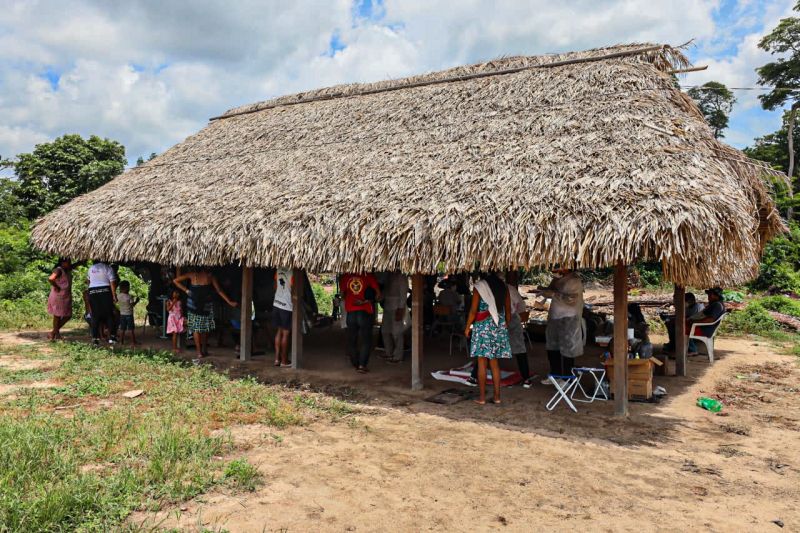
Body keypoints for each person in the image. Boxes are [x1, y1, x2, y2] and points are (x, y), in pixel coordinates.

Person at [464, 272, 512, 405]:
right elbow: (508, 311)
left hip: (482, 327)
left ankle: (482, 398)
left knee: (481, 363)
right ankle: (497, 397)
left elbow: (473, 311)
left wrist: (467, 327)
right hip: (498, 325)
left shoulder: (479, 287)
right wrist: (504, 326)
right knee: (494, 363)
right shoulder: (504, 287)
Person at [173, 267, 238, 359]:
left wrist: (186, 290)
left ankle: (201, 351)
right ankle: (201, 351)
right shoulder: (207, 276)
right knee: (203, 328)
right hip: (198, 305)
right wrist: (229, 301)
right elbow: (219, 290)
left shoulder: (196, 275)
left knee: (201, 328)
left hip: (201, 305)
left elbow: (175, 281)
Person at [541, 268, 584, 384]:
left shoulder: (574, 281)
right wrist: (544, 289)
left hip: (569, 318)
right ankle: (555, 375)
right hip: (555, 317)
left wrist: (554, 294)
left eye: (558, 267)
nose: (554, 269)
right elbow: (551, 290)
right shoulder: (558, 279)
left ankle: (567, 378)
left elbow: (572, 299)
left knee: (567, 349)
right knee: (552, 347)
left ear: (567, 267)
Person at [341, 272, 382, 373]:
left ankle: (355, 363)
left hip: (351, 312)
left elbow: (342, 295)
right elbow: (378, 295)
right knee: (366, 340)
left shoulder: (346, 277)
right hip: (365, 312)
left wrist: (351, 298)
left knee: (352, 339)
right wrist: (367, 301)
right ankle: (362, 365)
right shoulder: (368, 276)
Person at [87, 260, 118, 346]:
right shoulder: (108, 268)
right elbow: (112, 282)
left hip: (92, 291)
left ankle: (95, 339)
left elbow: (88, 282)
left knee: (95, 315)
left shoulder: (91, 268)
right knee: (109, 314)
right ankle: (112, 337)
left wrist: (90, 292)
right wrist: (114, 295)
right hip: (105, 290)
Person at [687, 287, 726, 355]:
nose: (708, 296)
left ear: (716, 296)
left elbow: (710, 320)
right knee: (682, 324)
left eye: (710, 294)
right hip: (705, 327)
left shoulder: (717, 305)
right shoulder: (716, 304)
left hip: (705, 329)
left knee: (680, 328)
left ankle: (692, 349)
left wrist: (694, 322)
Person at [46, 258, 76, 341]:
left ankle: (53, 333)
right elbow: (51, 278)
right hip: (58, 296)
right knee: (57, 315)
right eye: (68, 262)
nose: (70, 263)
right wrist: (57, 286)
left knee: (67, 315)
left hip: (65, 296)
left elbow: (74, 265)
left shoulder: (66, 269)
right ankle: (55, 334)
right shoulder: (58, 270)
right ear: (63, 263)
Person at [382, 271, 408, 363]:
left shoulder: (401, 277)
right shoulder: (389, 276)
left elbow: (403, 294)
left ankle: (398, 355)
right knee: (385, 330)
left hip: (396, 306)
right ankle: (388, 352)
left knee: (396, 332)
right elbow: (385, 290)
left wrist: (401, 308)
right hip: (387, 305)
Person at [272, 267, 293, 367]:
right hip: (286, 306)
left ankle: (277, 359)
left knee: (279, 331)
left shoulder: (279, 270)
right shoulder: (293, 272)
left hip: (276, 303)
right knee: (286, 334)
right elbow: (295, 289)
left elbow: (275, 286)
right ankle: (284, 361)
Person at [116, 281, 139, 345]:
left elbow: (115, 301)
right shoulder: (129, 296)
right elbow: (132, 305)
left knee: (122, 329)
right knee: (131, 329)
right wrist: (136, 301)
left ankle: (121, 342)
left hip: (122, 315)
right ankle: (133, 342)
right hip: (129, 315)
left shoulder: (118, 296)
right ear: (127, 288)